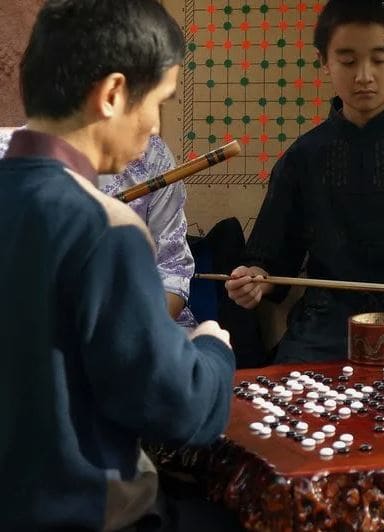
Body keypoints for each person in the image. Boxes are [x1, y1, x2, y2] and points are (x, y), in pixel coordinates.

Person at [0, 1, 236, 530]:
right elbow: (176, 409)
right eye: (158, 102)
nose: (154, 127)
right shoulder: (105, 227)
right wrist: (211, 351)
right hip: (79, 511)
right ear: (112, 94)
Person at [225, 0, 384, 364]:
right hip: (327, 325)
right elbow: (270, 259)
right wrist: (255, 278)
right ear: (324, 60)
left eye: (379, 59)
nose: (364, 75)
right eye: (348, 61)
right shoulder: (305, 156)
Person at [0, 131, 198, 328]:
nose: (154, 125)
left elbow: (172, 273)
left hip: (138, 329)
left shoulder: (151, 153)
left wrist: (125, 338)